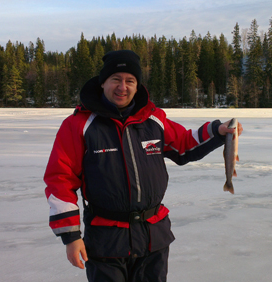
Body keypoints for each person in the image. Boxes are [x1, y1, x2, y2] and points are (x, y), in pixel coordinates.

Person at [44, 49, 242, 282]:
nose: (122, 87)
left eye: (130, 81)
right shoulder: (78, 125)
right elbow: (61, 178)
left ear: (137, 86)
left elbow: (184, 145)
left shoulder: (153, 120)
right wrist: (71, 236)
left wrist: (217, 132)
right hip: (106, 241)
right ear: (103, 83)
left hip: (153, 237)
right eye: (115, 79)